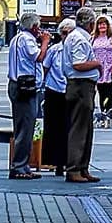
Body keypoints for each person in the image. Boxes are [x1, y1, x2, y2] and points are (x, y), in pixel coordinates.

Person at [62, 5, 102, 183]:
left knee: (87, 128)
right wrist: (97, 64)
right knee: (79, 128)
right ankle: (74, 168)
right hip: (80, 86)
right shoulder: (79, 38)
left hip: (83, 86)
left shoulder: (79, 37)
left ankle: (83, 167)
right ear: (91, 23)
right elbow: (78, 64)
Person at [8, 13, 49, 180]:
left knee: (24, 127)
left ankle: (23, 165)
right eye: (38, 27)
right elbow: (38, 57)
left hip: (18, 84)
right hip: (25, 86)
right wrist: (45, 42)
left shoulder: (16, 39)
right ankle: (19, 166)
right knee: (26, 128)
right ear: (33, 27)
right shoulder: (27, 40)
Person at [41, 20, 74, 175]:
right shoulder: (55, 49)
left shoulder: (75, 49)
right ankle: (55, 162)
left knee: (69, 127)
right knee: (53, 128)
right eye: (64, 33)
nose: (66, 36)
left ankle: (68, 161)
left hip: (70, 90)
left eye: (69, 33)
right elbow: (45, 67)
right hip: (54, 89)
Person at [90, 16, 112, 124]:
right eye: (100, 24)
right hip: (98, 69)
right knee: (101, 92)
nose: (102, 26)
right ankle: (103, 111)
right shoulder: (93, 38)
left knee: (108, 92)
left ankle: (109, 112)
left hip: (109, 68)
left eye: (104, 24)